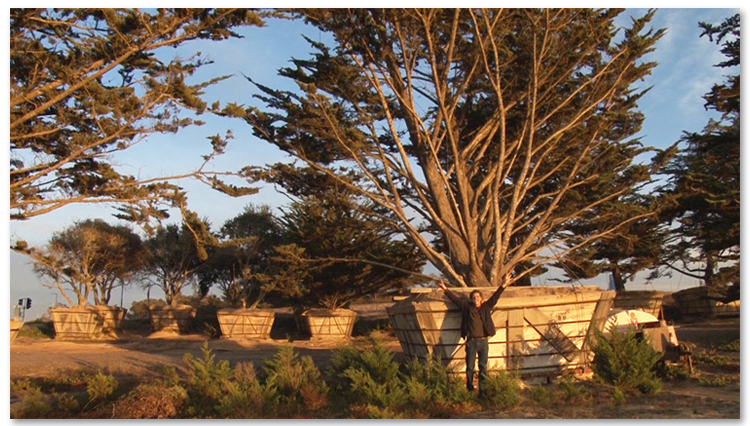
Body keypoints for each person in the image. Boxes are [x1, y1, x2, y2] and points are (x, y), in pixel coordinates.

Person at [438, 274, 509, 395]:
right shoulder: (466, 308)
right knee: (470, 367)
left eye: (478, 296)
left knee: (483, 367)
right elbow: (455, 300)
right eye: (474, 297)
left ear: (481, 299)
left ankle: (483, 390)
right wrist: (445, 289)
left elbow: (495, 296)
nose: (476, 298)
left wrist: (503, 285)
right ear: (471, 299)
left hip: (483, 342)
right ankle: (470, 389)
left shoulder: (486, 307)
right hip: (471, 342)